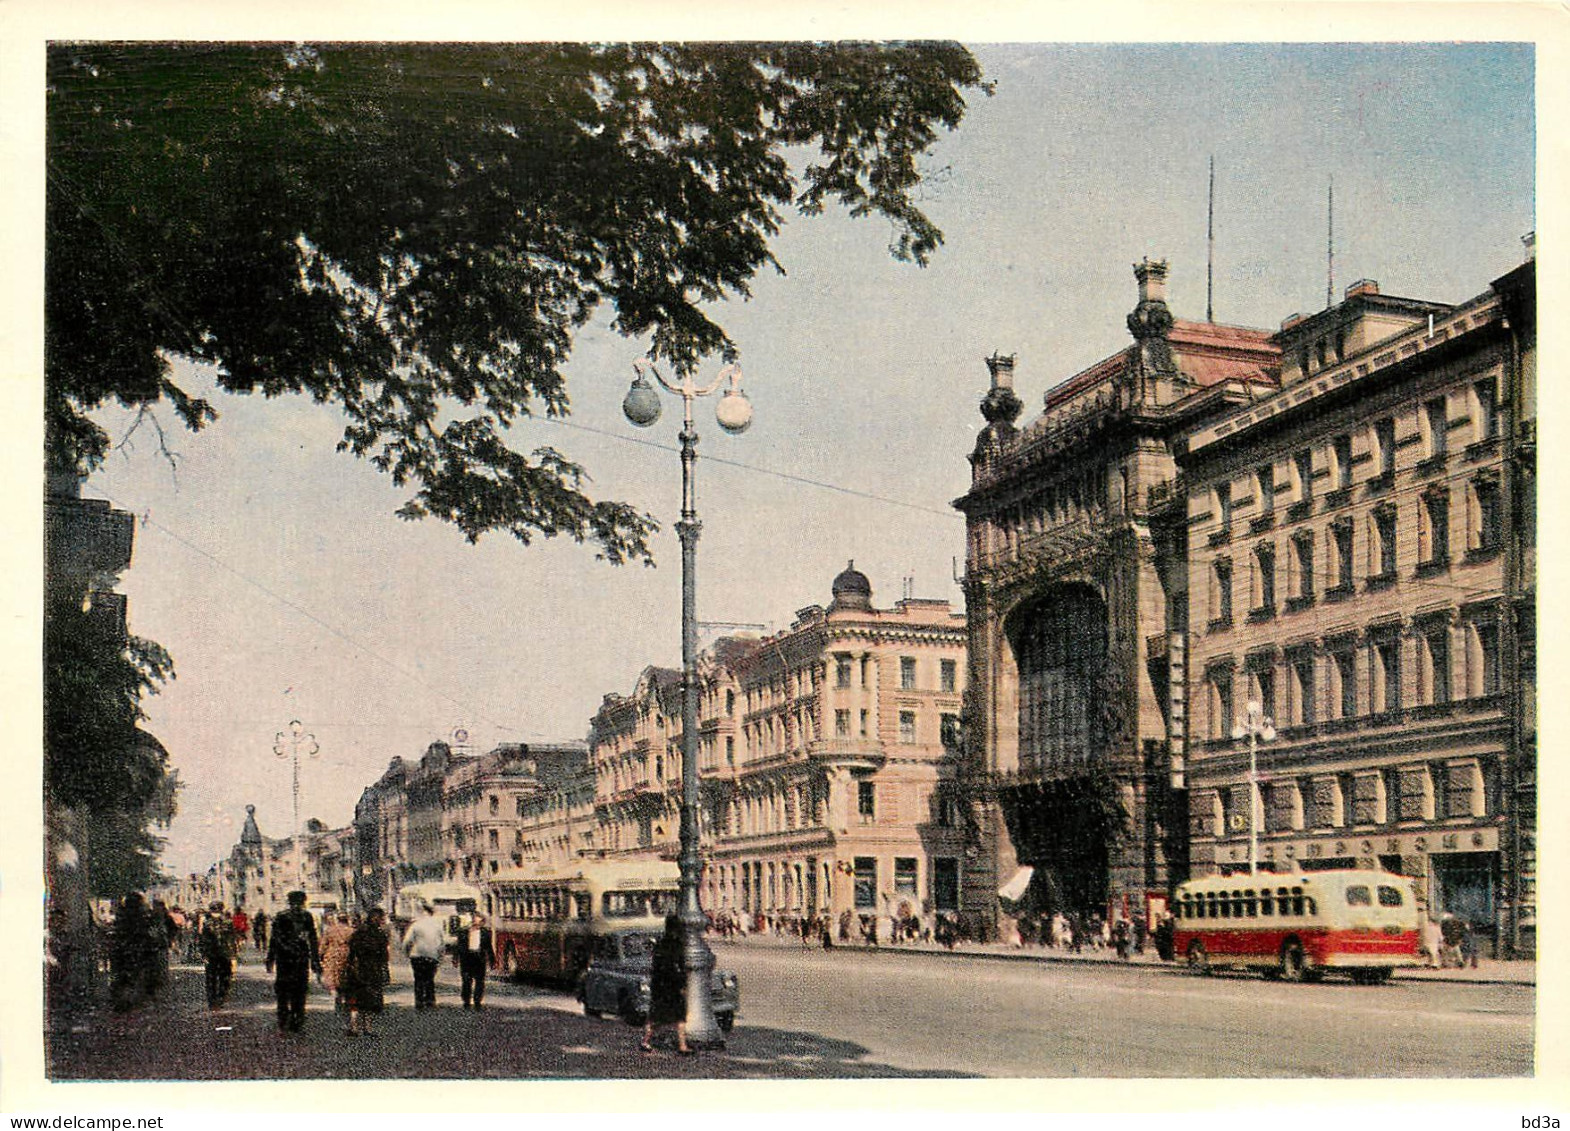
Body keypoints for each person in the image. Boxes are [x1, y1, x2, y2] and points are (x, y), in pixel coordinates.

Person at [265, 890, 322, 1032]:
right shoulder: (305, 916)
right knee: (298, 990)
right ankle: (296, 1019)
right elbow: (313, 940)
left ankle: (286, 1019)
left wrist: (270, 958)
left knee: (286, 990)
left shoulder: (283, 916)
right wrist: (315, 960)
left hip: (286, 958)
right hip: (298, 957)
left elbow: (275, 939)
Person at [642, 914, 691, 1054]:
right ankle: (682, 1046)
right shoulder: (678, 944)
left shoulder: (660, 943)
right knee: (680, 1015)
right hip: (674, 984)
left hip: (659, 984)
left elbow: (655, 966)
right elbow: (681, 966)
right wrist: (683, 984)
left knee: (655, 1015)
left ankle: (646, 1041)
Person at [340, 908, 390, 1037]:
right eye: (381, 918)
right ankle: (367, 1027)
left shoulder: (358, 933)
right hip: (373, 971)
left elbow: (350, 953)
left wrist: (347, 968)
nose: (383, 920)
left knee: (354, 1000)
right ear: (377, 919)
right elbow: (384, 957)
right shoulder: (380, 935)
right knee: (370, 1000)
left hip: (356, 970)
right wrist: (384, 972)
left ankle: (354, 1027)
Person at [402, 902, 447, 1009]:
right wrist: (440, 956)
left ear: (423, 912)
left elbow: (407, 941)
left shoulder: (416, 925)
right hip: (432, 956)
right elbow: (442, 943)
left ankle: (419, 1001)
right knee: (429, 979)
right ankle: (430, 1000)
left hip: (417, 955)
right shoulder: (437, 925)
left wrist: (406, 953)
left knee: (418, 979)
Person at [199, 902, 238, 1009]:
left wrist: (203, 954)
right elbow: (232, 940)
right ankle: (220, 998)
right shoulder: (228, 922)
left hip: (212, 954)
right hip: (224, 954)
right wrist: (233, 956)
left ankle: (213, 1001)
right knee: (224, 977)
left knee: (212, 978)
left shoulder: (207, 923)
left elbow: (203, 941)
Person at [454, 911, 495, 1009]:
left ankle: (477, 1000)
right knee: (466, 981)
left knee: (480, 981)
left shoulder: (485, 933)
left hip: (479, 959)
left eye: (480, 921)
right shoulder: (463, 932)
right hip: (467, 958)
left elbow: (488, 947)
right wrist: (455, 958)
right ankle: (466, 1000)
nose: (477, 922)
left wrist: (492, 960)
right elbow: (458, 946)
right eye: (475, 919)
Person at [319, 912, 355, 1011]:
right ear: (347, 919)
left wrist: (320, 956)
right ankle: (346, 998)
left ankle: (336, 994)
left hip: (332, 956)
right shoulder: (352, 931)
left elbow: (323, 945)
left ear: (337, 919)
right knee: (346, 977)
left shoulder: (330, 930)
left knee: (334, 976)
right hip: (347, 955)